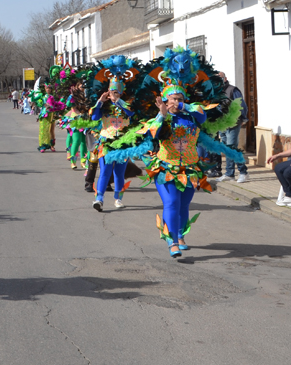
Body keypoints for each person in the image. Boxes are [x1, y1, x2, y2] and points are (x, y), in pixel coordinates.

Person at [103, 47, 245, 258]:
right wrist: (162, 115)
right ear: (164, 100)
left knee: (184, 205)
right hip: (165, 168)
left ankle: (180, 234)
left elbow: (202, 117)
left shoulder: (192, 114)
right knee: (171, 202)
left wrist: (184, 106)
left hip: (190, 168)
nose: (176, 102)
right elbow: (153, 134)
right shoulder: (159, 118)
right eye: (172, 99)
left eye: (179, 98)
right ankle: (172, 241)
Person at [88, 56, 139, 211]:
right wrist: (100, 102)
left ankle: (118, 198)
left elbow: (131, 114)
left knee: (119, 172)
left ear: (121, 93)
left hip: (123, 142)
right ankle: (99, 199)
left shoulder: (127, 104)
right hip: (106, 142)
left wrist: (119, 102)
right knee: (105, 171)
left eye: (116, 92)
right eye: (111, 92)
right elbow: (94, 117)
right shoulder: (103, 106)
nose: (113, 95)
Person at [212, 72, 249, 183]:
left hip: (233, 123)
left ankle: (243, 172)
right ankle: (230, 174)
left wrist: (243, 118)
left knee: (230, 148)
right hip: (221, 124)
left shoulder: (232, 90)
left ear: (225, 79)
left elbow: (241, 105)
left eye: (220, 78)